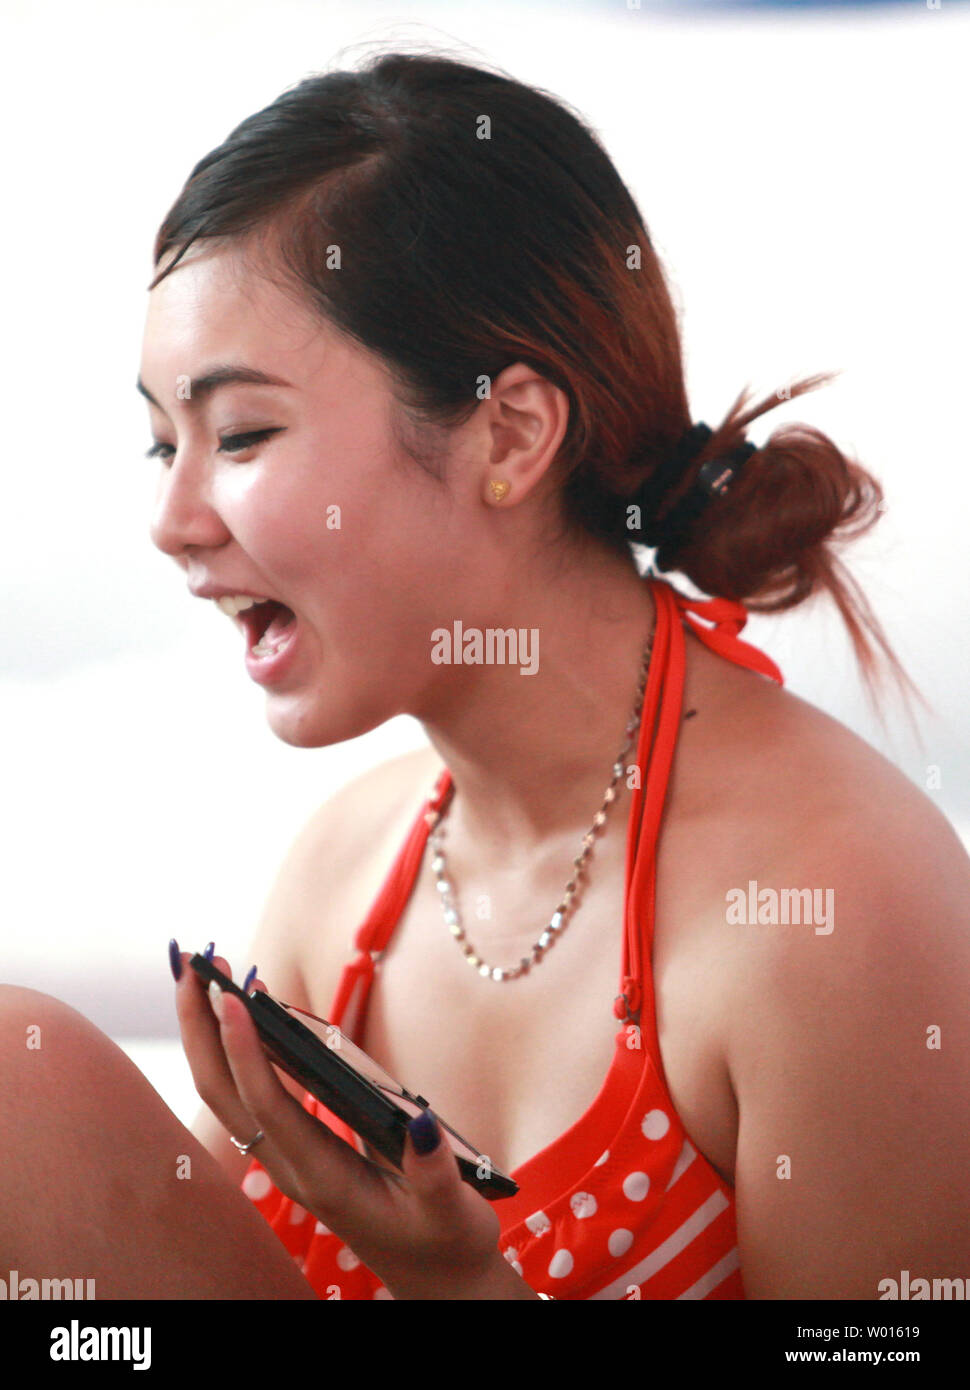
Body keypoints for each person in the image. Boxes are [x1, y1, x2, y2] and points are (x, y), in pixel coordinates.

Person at [4, 50, 969, 1301]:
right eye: (160, 440)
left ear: (510, 431)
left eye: (240, 433)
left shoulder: (842, 911)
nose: (173, 516)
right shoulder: (345, 875)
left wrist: (462, 1289)